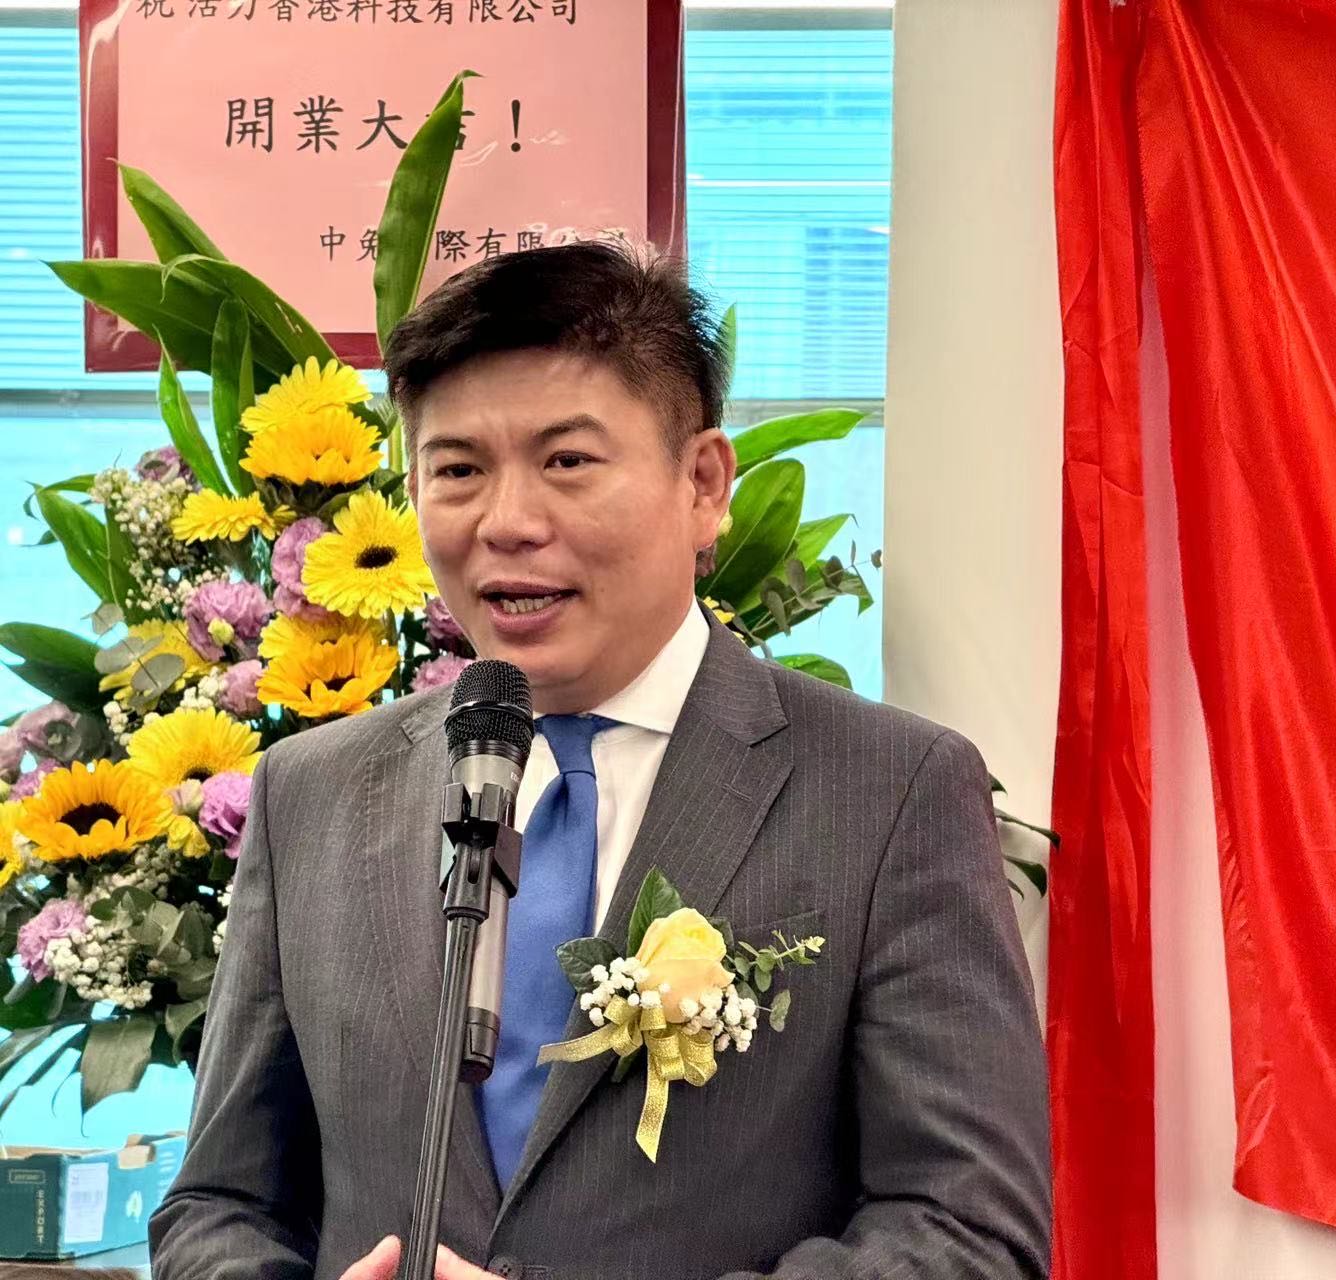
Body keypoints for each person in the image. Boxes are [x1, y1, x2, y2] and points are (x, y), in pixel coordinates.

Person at [149, 242, 1052, 1279]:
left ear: (703, 483)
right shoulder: (312, 791)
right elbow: (220, 1203)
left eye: (567, 461)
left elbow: (967, 1229)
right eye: (457, 470)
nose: (507, 522)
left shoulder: (888, 790)